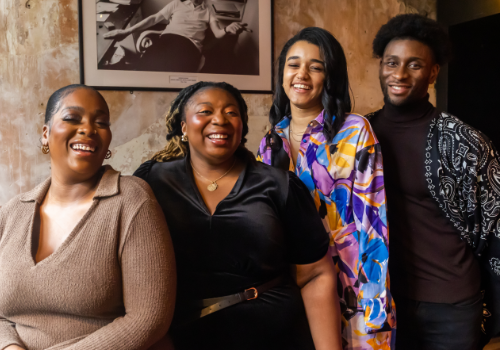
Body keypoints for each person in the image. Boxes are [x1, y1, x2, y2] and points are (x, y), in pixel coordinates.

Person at [134, 81, 342, 350]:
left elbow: (315, 275)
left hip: (274, 334)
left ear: (242, 127)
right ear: (184, 126)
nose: (219, 119)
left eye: (231, 113)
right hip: (178, 337)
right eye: (205, 111)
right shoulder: (152, 181)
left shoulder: (280, 185)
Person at [0, 84, 176, 350]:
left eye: (101, 122)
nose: (88, 129)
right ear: (45, 134)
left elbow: (148, 319)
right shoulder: (12, 213)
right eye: (72, 118)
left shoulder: (131, 199)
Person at [366, 14, 500, 349]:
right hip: (380, 301)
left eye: (414, 65)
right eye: (391, 63)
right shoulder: (359, 136)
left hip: (449, 306)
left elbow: (494, 228)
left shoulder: (464, 142)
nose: (399, 74)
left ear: (433, 72)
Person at [256, 27, 395, 349]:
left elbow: (374, 225)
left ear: (329, 75)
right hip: (292, 283)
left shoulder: (355, 130)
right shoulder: (270, 141)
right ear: (282, 73)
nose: (301, 74)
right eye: (293, 65)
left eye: (315, 66)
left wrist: (375, 306)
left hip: (353, 281)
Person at [104, 0, 247, 72]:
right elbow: (154, 19)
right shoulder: (177, 3)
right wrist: (126, 32)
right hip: (167, 39)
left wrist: (227, 29)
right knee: (145, 68)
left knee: (175, 75)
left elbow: (217, 32)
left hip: (189, 45)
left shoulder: (208, 10)